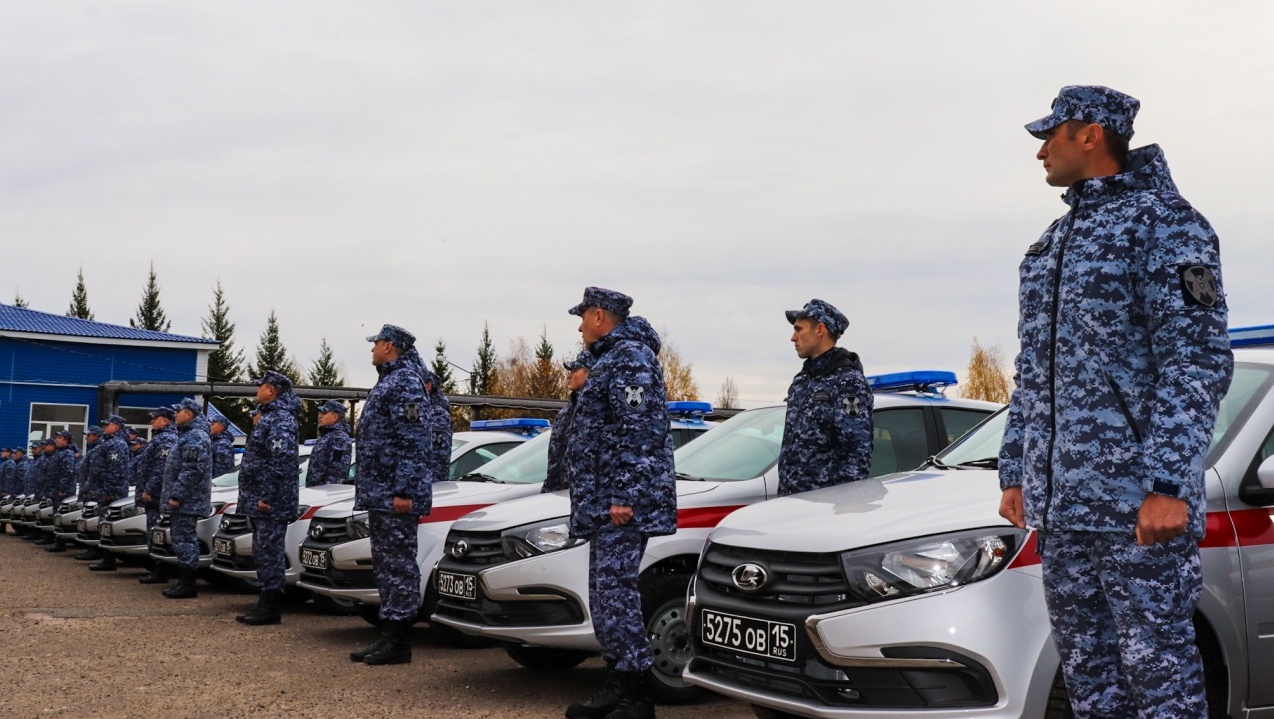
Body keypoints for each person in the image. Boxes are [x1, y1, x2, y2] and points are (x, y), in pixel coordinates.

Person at [998, 85, 1233, 719]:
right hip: (1065, 509)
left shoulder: (1166, 223)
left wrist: (1166, 484)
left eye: (1051, 135)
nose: (1041, 150)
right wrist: (1016, 469)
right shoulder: (1051, 243)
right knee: (1089, 681)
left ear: (1090, 134)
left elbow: (1197, 359)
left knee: (1160, 680)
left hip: (1136, 508)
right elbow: (1032, 371)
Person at [563, 287, 675, 719]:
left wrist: (623, 497)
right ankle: (617, 681)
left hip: (622, 504)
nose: (578, 326)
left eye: (582, 318)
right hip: (604, 503)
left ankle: (636, 695)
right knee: (605, 596)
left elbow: (637, 433)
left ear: (598, 316)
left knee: (617, 595)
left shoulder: (631, 357)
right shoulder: (609, 359)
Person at [348, 324, 432, 665]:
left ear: (390, 346)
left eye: (376, 344)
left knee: (398, 565)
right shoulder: (389, 380)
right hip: (380, 493)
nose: (372, 350)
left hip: (395, 495)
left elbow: (413, 441)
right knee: (386, 565)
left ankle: (399, 640)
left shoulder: (406, 382)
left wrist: (404, 490)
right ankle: (389, 634)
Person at [777, 299, 874, 497]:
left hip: (824, 509)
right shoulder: (801, 381)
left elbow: (856, 454)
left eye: (799, 329)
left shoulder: (847, 382)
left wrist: (843, 506)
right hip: (790, 503)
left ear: (820, 330)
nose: (793, 338)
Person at [235, 370, 300, 625]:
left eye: (260, 386)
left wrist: (267, 495)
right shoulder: (271, 418)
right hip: (264, 500)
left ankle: (270, 606)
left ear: (271, 390)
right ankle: (266, 601)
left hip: (271, 501)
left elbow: (280, 461)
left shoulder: (280, 420)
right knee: (262, 551)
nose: (256, 390)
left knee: (269, 551)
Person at [159, 398, 214, 599]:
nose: (176, 414)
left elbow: (192, 470)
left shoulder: (196, 437)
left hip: (187, 500)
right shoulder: (187, 435)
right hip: (185, 499)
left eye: (179, 411)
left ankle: (189, 584)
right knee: (180, 538)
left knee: (185, 539)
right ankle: (184, 581)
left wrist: (177, 494)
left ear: (189, 414)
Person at [135, 407, 179, 584]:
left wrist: (149, 490)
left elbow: (161, 468)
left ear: (166, 420)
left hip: (156, 495)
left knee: (156, 532)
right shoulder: (159, 439)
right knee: (152, 532)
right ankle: (158, 568)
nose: (152, 421)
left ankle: (161, 570)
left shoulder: (166, 439)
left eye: (156, 418)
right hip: (153, 495)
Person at [543, 351, 595, 493]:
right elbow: (555, 461)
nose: (569, 375)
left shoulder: (597, 412)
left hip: (586, 496)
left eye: (575, 370)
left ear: (590, 373)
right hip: (559, 495)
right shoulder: (565, 414)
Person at [88, 415, 133, 571]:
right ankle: (106, 557)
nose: (104, 427)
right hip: (104, 490)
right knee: (104, 523)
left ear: (116, 427)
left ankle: (109, 559)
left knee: (107, 524)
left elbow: (115, 470)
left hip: (111, 492)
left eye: (107, 425)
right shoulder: (108, 443)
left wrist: (109, 491)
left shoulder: (116, 444)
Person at [44, 431, 79, 552]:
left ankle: (61, 542)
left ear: (66, 440)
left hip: (63, 492)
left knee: (60, 516)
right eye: (56, 437)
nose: (56, 440)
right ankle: (58, 540)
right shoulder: (58, 453)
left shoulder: (67, 454)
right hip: (56, 490)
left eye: (59, 438)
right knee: (57, 516)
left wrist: (62, 489)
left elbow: (67, 472)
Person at [307, 400, 352, 486]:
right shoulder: (326, 435)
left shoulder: (339, 438)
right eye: (320, 413)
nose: (320, 416)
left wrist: (324, 493)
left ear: (334, 417)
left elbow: (336, 472)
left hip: (326, 493)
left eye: (324, 413)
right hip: (316, 491)